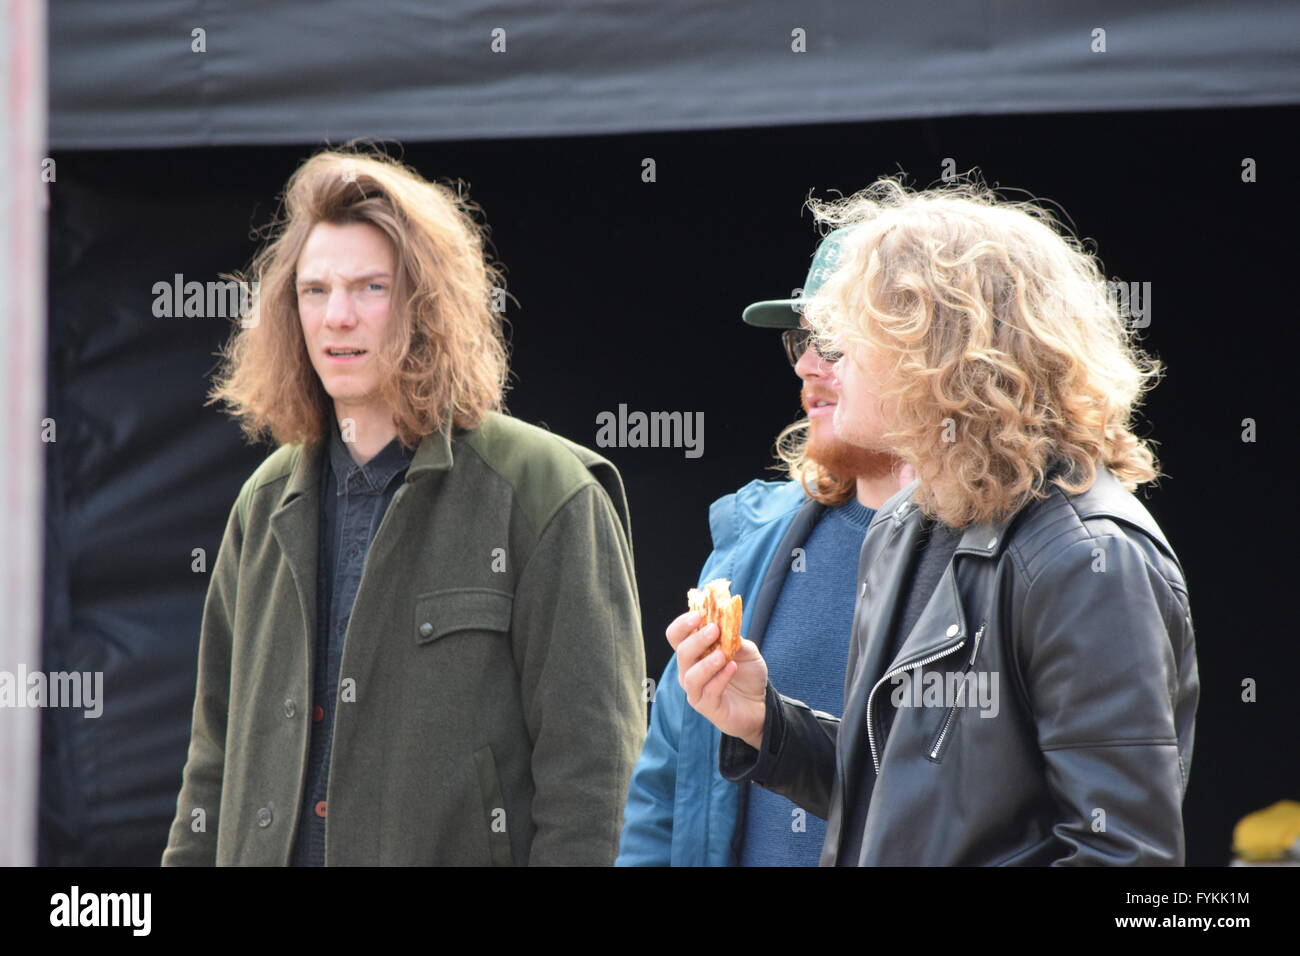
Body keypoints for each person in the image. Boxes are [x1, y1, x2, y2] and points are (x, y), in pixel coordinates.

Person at [669, 176, 1199, 865]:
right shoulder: (902, 526)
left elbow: (1124, 856)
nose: (815, 362)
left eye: (840, 336)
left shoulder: (1091, 555)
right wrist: (765, 723)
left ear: (939, 351)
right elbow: (900, 806)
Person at [161, 147, 645, 866]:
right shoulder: (262, 506)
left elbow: (594, 784)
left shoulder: (547, 493)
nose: (338, 317)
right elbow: (212, 762)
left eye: (369, 287)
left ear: (425, 302)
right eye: (314, 290)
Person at [617, 230, 911, 866]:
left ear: (924, 352)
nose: (808, 365)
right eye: (802, 341)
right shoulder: (750, 543)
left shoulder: (995, 555)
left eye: (833, 340)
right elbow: (664, 791)